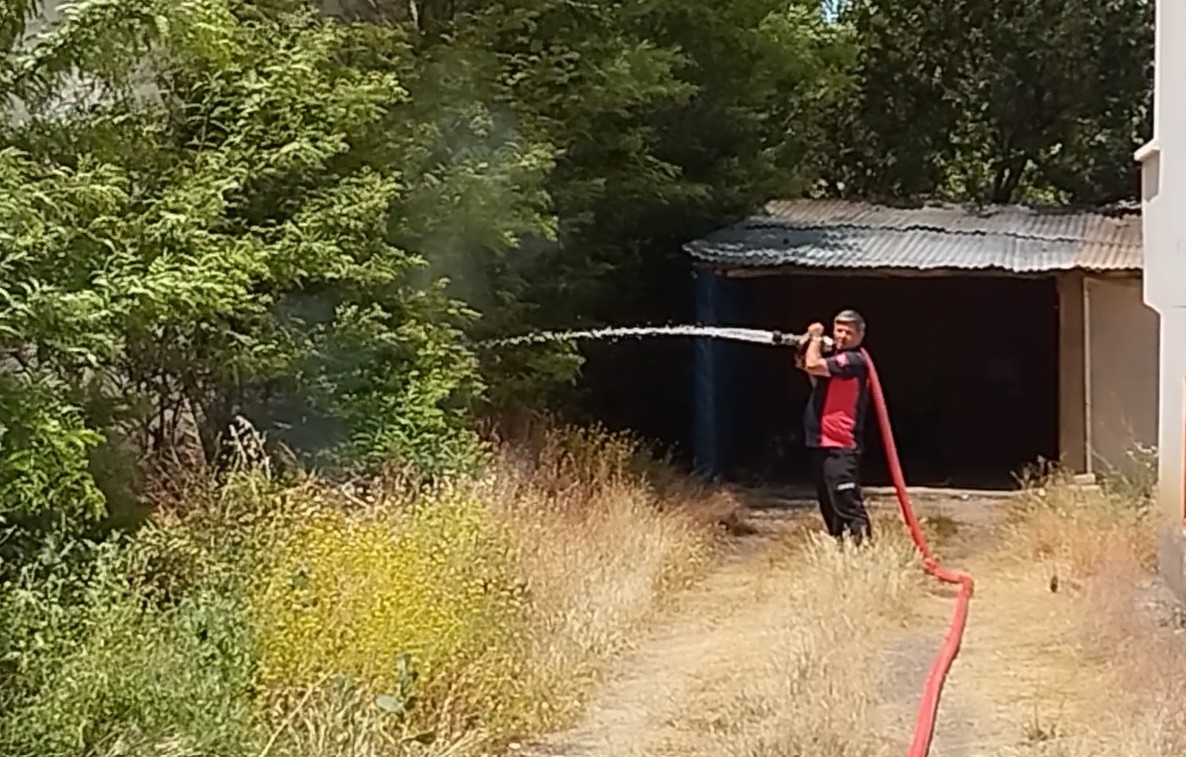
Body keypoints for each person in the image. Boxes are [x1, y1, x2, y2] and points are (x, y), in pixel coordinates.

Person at [795, 309, 873, 545]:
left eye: (848, 332)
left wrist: (816, 338)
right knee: (828, 503)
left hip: (841, 444)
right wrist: (806, 343)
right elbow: (806, 366)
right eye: (838, 330)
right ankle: (840, 547)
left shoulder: (854, 360)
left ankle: (864, 549)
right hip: (820, 441)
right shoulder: (835, 361)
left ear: (860, 335)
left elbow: (812, 364)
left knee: (845, 499)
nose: (842, 336)